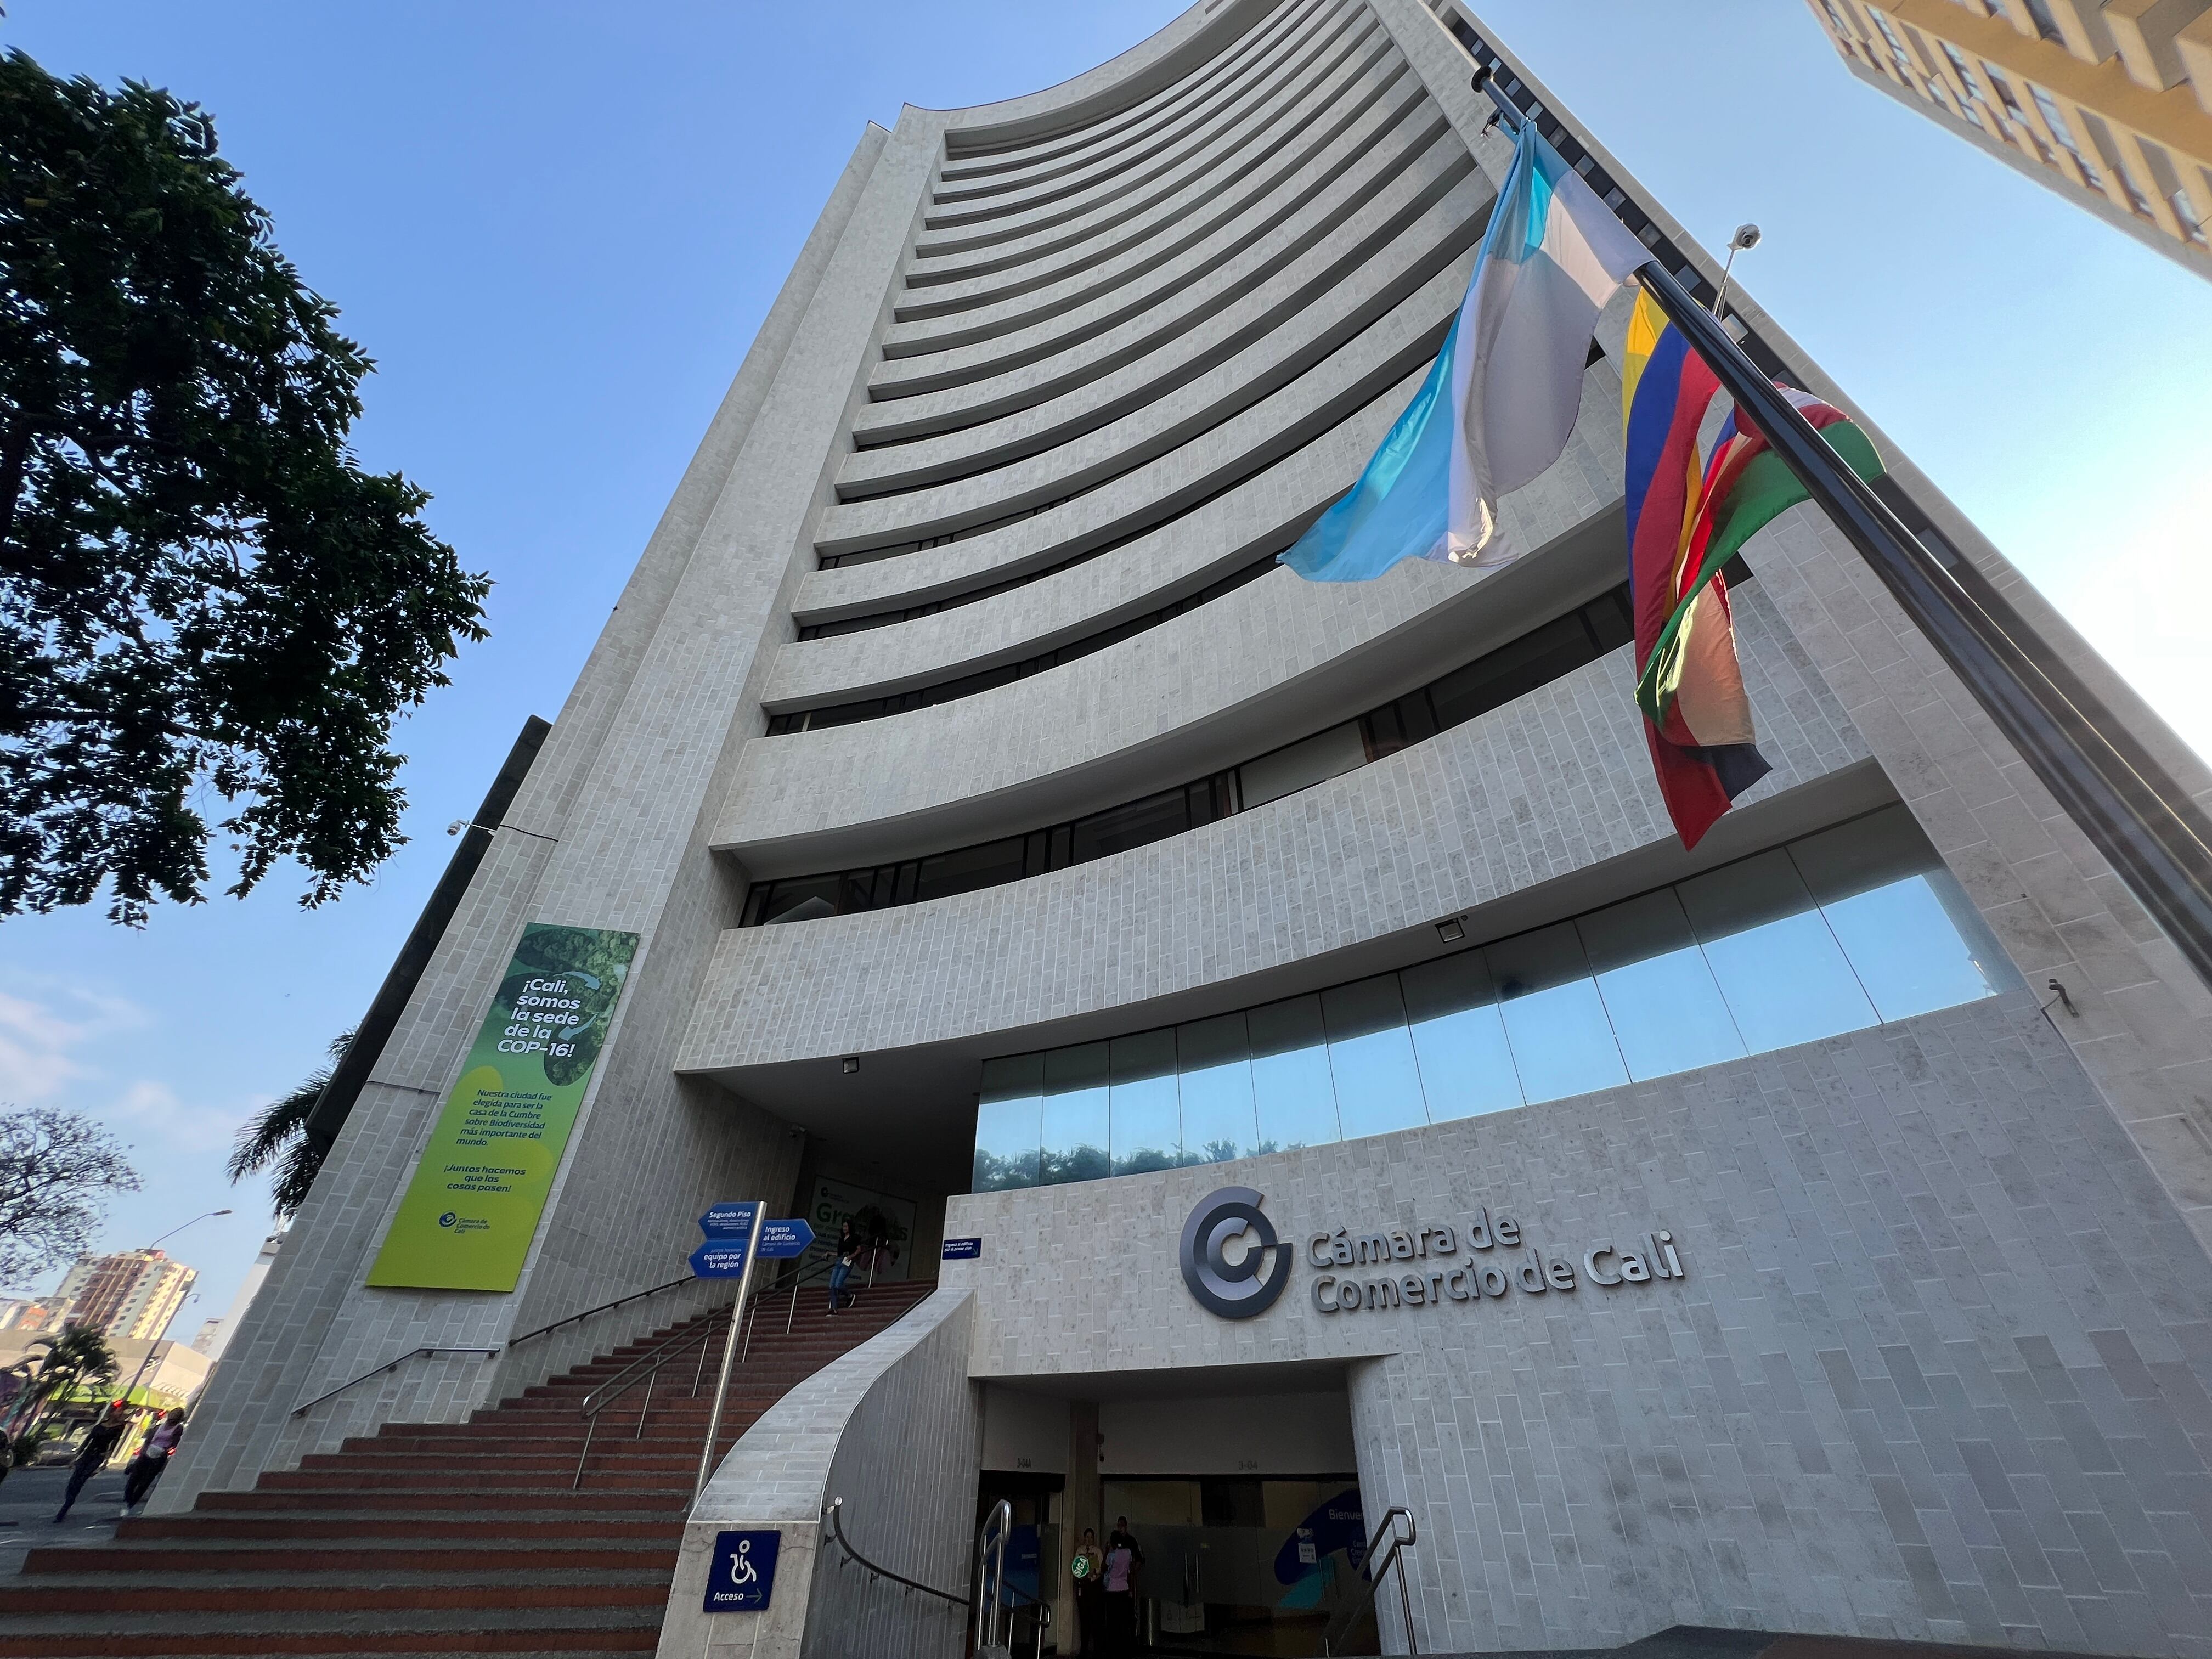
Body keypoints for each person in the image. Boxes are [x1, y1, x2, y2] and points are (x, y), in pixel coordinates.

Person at [54, 1401, 130, 1522]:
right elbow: (87, 1441)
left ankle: (65, 1507)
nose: (119, 1413)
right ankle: (68, 1501)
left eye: (121, 1412)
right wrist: (76, 1457)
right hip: (87, 1455)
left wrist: (105, 1461)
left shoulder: (119, 1427)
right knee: (74, 1480)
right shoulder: (99, 1427)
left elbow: (114, 1444)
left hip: (99, 1456)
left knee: (83, 1478)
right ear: (112, 1413)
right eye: (118, 1411)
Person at [122, 1408, 185, 1510]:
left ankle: (133, 1501)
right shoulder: (159, 1426)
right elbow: (149, 1439)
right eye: (172, 1416)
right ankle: (127, 1497)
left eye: (176, 1417)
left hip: (160, 1456)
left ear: (179, 1419)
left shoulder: (178, 1428)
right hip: (148, 1452)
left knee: (147, 1480)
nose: (172, 1419)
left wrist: (166, 1451)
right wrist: (144, 1451)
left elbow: (175, 1443)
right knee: (135, 1476)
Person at [1070, 1526, 1105, 1655]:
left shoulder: (1097, 1551)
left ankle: (1097, 1649)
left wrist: (1094, 1571)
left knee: (1095, 1618)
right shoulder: (1079, 1550)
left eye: (1091, 1537)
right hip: (1083, 1586)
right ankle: (1084, 1649)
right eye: (1087, 1537)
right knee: (1084, 1618)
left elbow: (1101, 1569)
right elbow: (1075, 1567)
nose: (1089, 1540)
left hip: (1094, 1585)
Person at [1102, 1532, 1137, 1655]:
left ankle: (1113, 1649)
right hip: (1124, 1589)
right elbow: (1130, 1570)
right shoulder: (1128, 1553)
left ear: (1112, 1542)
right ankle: (1125, 1649)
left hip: (1112, 1590)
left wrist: (1107, 1550)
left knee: (1112, 1621)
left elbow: (1103, 1568)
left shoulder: (1111, 1555)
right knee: (1123, 1620)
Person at [826, 1220, 858, 1314]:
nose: (844, 1228)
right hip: (840, 1260)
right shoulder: (841, 1239)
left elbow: (859, 1249)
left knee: (838, 1284)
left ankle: (850, 1295)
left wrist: (852, 1256)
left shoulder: (854, 1238)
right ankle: (834, 1309)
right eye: (843, 1226)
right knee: (832, 1285)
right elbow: (839, 1253)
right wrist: (829, 1253)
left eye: (846, 1226)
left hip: (848, 1260)